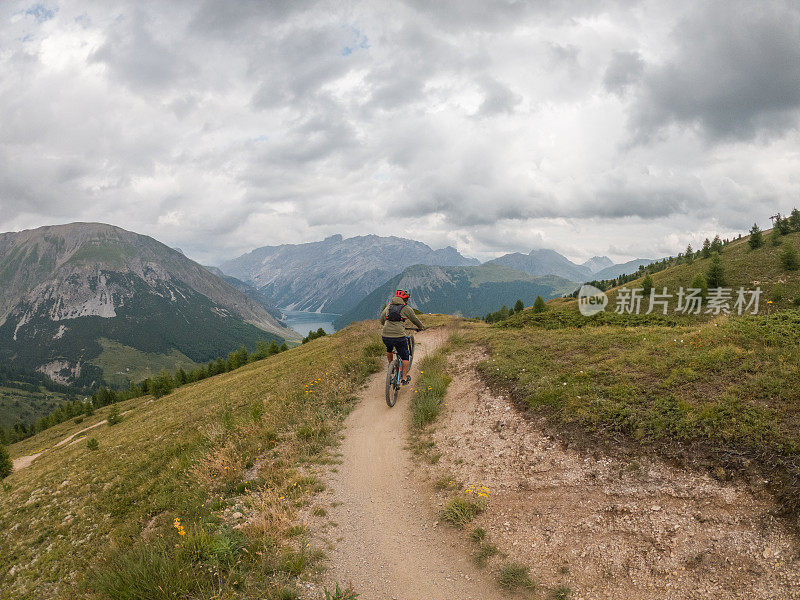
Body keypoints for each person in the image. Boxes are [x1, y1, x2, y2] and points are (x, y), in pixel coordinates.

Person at [380, 290, 425, 385]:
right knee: (405, 356)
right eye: (407, 299)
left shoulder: (388, 306)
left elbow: (382, 319)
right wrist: (421, 327)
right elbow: (414, 319)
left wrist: (386, 326)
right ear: (405, 300)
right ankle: (404, 378)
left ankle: (391, 366)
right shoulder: (406, 308)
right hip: (399, 336)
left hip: (385, 335)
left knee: (389, 349)